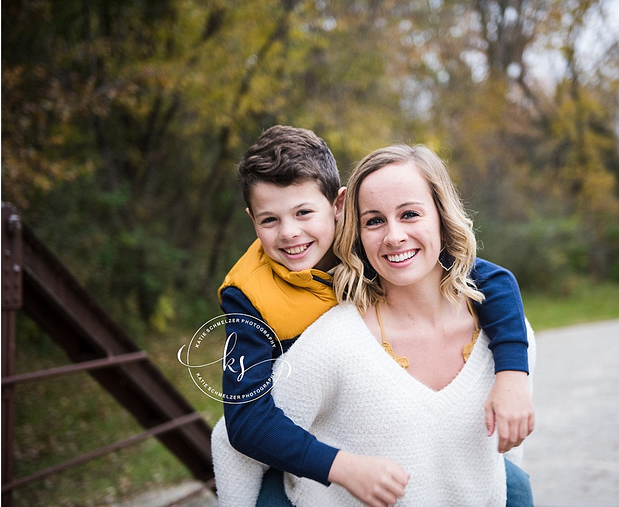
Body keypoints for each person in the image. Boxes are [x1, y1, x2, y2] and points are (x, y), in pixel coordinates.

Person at [214, 128, 533, 506]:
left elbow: (490, 278)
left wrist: (513, 372)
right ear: (252, 219)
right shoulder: (247, 296)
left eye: (303, 212)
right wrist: (342, 468)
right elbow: (247, 421)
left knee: (511, 486)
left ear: (339, 205)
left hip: (373, 428)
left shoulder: (371, 245)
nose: (290, 234)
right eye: (269, 220)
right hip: (292, 446)